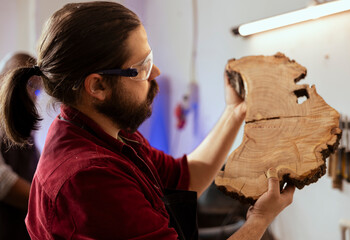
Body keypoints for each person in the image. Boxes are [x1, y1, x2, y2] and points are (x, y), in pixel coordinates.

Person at [0, 2, 295, 239]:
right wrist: (259, 220)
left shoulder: (111, 132)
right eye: (141, 68)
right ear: (97, 86)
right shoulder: (88, 179)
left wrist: (235, 112)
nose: (156, 74)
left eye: (150, 60)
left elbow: (185, 178)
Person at [0, 52, 41, 240]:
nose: (32, 94)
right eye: (29, 85)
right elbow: (3, 182)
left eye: (37, 89)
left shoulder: (24, 127)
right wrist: (47, 204)